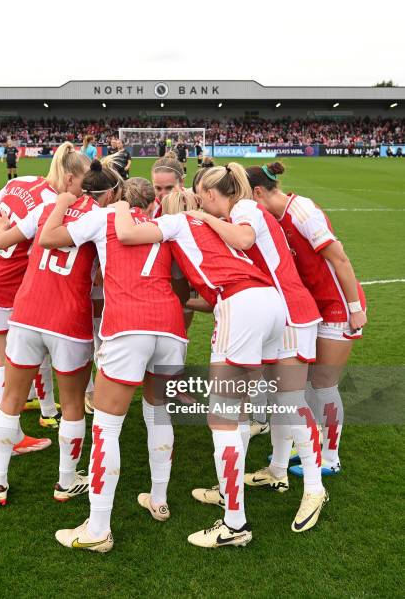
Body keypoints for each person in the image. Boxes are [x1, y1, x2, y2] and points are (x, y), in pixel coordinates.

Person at [112, 188, 285, 549]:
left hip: (239, 305)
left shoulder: (176, 221)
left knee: (221, 418)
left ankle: (234, 524)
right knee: (236, 412)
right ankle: (229, 492)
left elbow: (128, 234)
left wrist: (122, 206)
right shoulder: (216, 224)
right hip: (270, 304)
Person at [39, 172, 187, 553]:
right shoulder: (164, 224)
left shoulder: (105, 217)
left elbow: (50, 238)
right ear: (151, 201)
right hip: (170, 326)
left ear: (119, 196)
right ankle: (158, 499)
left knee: (106, 427)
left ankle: (99, 528)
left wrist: (60, 206)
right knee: (159, 416)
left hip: (127, 327)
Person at [187, 163, 328, 533]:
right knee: (271, 402)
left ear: (221, 193)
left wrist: (202, 217)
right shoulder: (240, 211)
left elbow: (245, 240)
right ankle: (272, 474)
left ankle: (315, 488)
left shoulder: (245, 208)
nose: (203, 202)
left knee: (291, 403)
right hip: (278, 314)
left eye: (205, 196)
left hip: (292, 315)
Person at [0, 160, 112, 507]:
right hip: (68, 321)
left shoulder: (46, 207)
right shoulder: (100, 217)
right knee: (72, 403)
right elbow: (105, 274)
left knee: (11, 399)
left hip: (26, 313)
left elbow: (0, 242)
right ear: (106, 191)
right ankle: (66, 481)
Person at [0, 143, 87, 447]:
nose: (83, 191)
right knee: (5, 364)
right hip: (1, 288)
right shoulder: (55, 206)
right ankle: (10, 440)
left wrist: (5, 231)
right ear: (69, 179)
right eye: (81, 184)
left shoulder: (20, 180)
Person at [246, 162, 367, 477]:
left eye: (247, 197)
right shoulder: (275, 217)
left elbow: (339, 258)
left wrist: (354, 306)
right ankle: (314, 445)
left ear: (258, 192)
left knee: (325, 383)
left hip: (338, 307)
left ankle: (331, 456)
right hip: (314, 308)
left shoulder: (302, 212)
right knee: (310, 382)